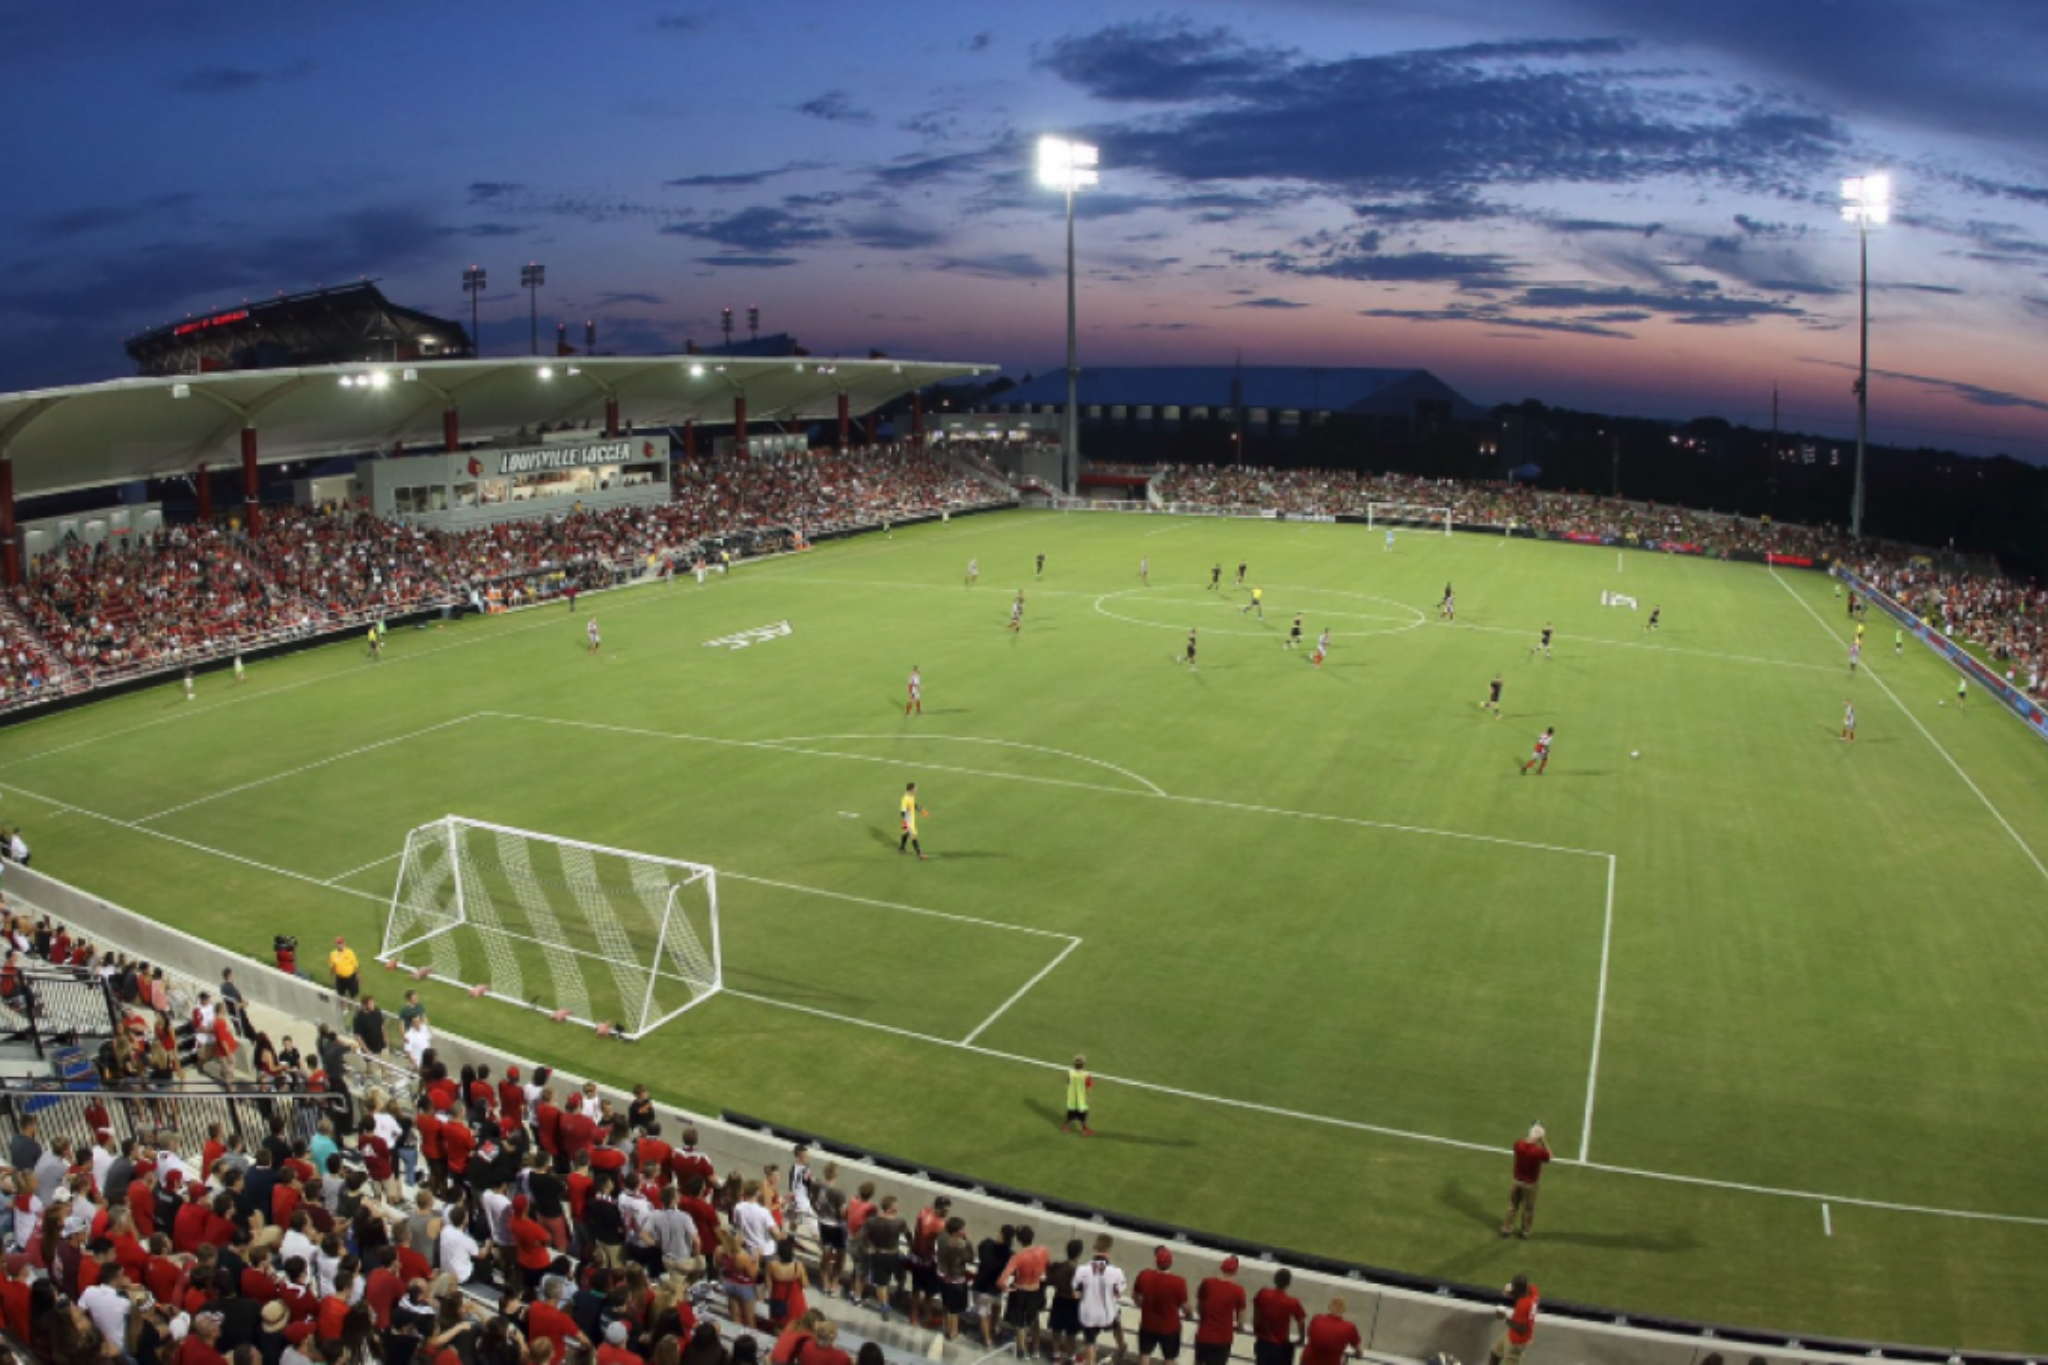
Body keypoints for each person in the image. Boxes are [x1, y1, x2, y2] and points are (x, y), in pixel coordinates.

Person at [1071, 1236, 1125, 1365]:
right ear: (1109, 1250)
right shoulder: (1116, 1272)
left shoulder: (1082, 1270)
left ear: (1095, 1248)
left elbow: (1076, 1295)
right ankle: (1121, 1347)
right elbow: (1118, 1295)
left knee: (1089, 1342)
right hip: (1108, 1314)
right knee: (1117, 1319)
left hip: (1088, 1314)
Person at [1131, 1247, 1188, 1365]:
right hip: (1170, 1328)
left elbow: (1135, 1295)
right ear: (1171, 1262)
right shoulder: (1179, 1282)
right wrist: (1190, 1314)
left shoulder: (1144, 1275)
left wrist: (1142, 1305)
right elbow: (1185, 1306)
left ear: (1156, 1261)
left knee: (1145, 1355)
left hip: (1148, 1324)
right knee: (1169, 1358)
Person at [1500, 1123, 1552, 1239]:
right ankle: (1525, 1232)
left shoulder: (1518, 1144)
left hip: (1516, 1181)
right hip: (1530, 1185)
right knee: (1528, 1209)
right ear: (1538, 1138)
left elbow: (1524, 1142)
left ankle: (1506, 1229)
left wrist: (1534, 1133)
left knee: (1512, 1206)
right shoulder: (1538, 1151)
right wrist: (1543, 1140)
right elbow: (1549, 1157)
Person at [1191, 1257, 1244, 1365]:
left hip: (1204, 1335)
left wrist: (1204, 1318)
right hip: (1223, 1339)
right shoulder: (1238, 1291)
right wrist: (1240, 1327)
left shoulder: (1207, 1283)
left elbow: (1199, 1305)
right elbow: (1241, 1318)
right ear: (1235, 1271)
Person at [1250, 1269, 1304, 1365]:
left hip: (1263, 1343)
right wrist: (1301, 1338)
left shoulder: (1263, 1294)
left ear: (1275, 1279)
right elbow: (1301, 1321)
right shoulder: (1292, 1302)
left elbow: (1256, 1312)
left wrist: (1255, 1327)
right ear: (1288, 1283)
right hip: (1280, 1347)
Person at [1488, 1275, 1539, 1365]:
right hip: (1512, 1334)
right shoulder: (1533, 1290)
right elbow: (1521, 1292)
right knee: (1495, 1354)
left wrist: (1504, 1318)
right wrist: (1511, 1293)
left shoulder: (1523, 1306)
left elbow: (1521, 1330)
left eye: (1514, 1289)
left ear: (1519, 1290)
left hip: (1517, 1341)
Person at [1300, 1300, 1360, 1365]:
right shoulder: (1350, 1327)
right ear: (1344, 1310)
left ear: (1329, 1307)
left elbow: (1309, 1335)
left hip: (1308, 1361)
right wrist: (1358, 1355)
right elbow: (1358, 1349)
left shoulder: (1317, 1318)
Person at [1061, 1057, 1093, 1136]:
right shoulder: (1086, 1075)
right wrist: (1089, 1097)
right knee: (1084, 1113)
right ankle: (1084, 1130)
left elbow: (1067, 1082)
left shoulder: (1070, 1072)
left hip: (1071, 1097)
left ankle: (1066, 1126)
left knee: (1071, 1112)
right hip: (1081, 1099)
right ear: (1083, 1065)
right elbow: (1088, 1087)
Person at [898, 783, 928, 861]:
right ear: (911, 789)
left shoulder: (911, 796)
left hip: (910, 819)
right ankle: (920, 854)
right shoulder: (905, 799)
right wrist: (907, 822)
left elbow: (913, 805)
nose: (916, 789)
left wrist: (921, 809)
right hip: (909, 820)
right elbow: (902, 812)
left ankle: (901, 848)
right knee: (914, 836)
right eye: (915, 788)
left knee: (906, 833)